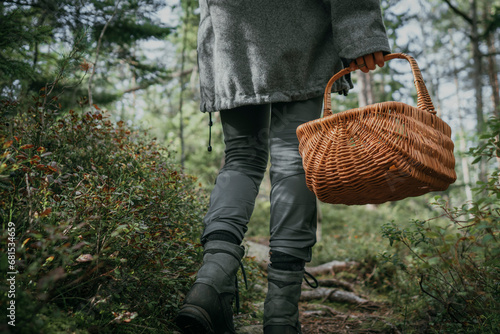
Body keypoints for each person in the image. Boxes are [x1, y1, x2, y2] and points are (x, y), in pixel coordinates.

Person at [175, 1, 391, 333]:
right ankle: (280, 314)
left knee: (241, 157)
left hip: (231, 27)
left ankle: (210, 283)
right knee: (294, 159)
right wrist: (361, 33)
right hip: (297, 22)